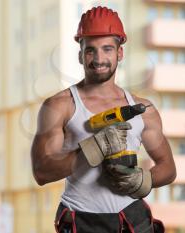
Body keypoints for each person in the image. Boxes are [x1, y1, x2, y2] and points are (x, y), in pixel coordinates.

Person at [31, 6, 176, 233]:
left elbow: (168, 168)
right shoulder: (59, 106)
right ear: (80, 54)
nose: (99, 59)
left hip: (131, 220)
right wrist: (93, 149)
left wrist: (144, 181)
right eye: (91, 50)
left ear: (120, 53)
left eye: (107, 49)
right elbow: (41, 172)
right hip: (81, 221)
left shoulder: (142, 109)